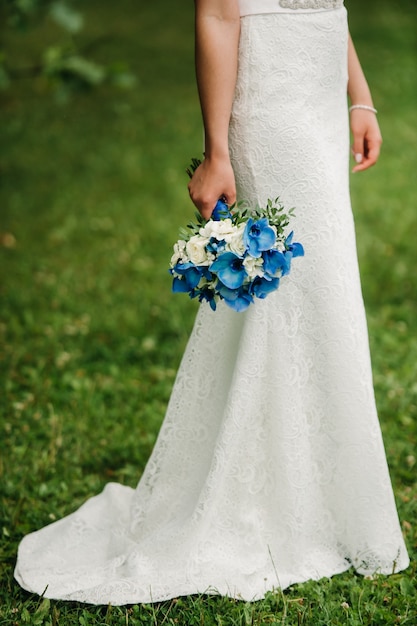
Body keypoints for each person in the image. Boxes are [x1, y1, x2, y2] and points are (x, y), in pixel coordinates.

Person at [15, 0, 409, 605]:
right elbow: (221, 13)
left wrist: (359, 96)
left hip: (319, 92)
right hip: (273, 101)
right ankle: (265, 499)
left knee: (325, 291)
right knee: (284, 297)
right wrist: (218, 151)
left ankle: (322, 497)